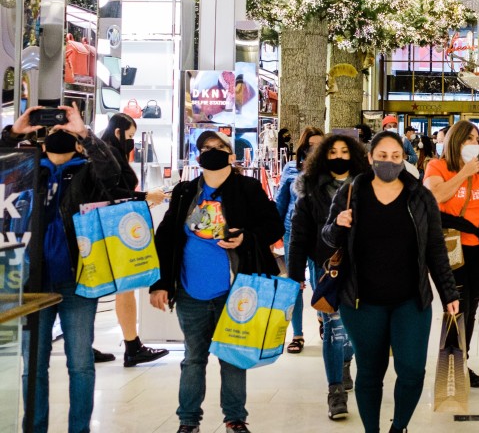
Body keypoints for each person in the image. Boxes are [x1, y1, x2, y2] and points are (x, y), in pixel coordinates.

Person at [322, 131, 459, 433]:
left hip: (411, 301)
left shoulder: (420, 197)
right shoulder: (350, 192)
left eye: (395, 157)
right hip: (361, 303)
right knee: (370, 372)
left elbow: (435, 247)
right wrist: (339, 225)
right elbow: (328, 239)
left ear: (404, 159)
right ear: (370, 159)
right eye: (382, 156)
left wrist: (448, 291)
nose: (389, 162)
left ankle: (398, 428)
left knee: (411, 371)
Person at [150, 130, 284, 433]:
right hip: (190, 291)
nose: (212, 152)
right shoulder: (186, 191)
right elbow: (167, 237)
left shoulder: (247, 189)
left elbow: (273, 225)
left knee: (232, 357)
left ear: (231, 155)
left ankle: (235, 418)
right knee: (193, 358)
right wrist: (160, 283)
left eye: (219, 147)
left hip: (236, 291)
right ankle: (188, 421)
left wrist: (246, 238)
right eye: (206, 148)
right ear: (198, 156)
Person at [4, 105, 123, 433]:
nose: (59, 132)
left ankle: (79, 429)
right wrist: (15, 133)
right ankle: (35, 427)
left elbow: (118, 180)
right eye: (53, 129)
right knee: (33, 366)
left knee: (81, 363)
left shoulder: (89, 171)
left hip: (79, 280)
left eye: (65, 130)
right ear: (41, 140)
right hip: (32, 281)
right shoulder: (24, 169)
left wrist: (85, 133)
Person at [289, 133, 371, 420]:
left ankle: (345, 362)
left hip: (364, 270)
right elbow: (299, 234)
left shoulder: (369, 186)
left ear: (355, 155)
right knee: (334, 331)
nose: (339, 156)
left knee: (351, 332)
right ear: (324, 155)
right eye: (333, 151)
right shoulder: (310, 188)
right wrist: (295, 274)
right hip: (328, 268)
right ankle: (335, 391)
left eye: (345, 152)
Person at [423, 120, 479, 388]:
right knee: (457, 307)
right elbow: (435, 196)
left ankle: (462, 362)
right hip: (451, 248)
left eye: (476, 139)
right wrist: (462, 173)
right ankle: (451, 366)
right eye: (467, 139)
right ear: (454, 141)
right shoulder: (437, 167)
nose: (473, 144)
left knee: (471, 308)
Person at [99, 112, 171, 367]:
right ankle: (132, 346)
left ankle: (128, 344)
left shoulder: (106, 151)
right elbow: (115, 192)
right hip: (113, 226)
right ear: (118, 132)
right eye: (129, 136)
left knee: (121, 288)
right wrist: (145, 197)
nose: (131, 142)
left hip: (111, 225)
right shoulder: (109, 154)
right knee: (125, 287)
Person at [276, 126, 325, 354]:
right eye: (311, 145)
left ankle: (324, 318)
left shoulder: (329, 171)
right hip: (292, 231)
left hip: (320, 234)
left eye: (319, 144)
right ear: (303, 147)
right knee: (294, 284)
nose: (315, 149)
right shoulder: (290, 169)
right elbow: (281, 201)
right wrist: (271, 232)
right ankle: (296, 334)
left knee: (319, 282)